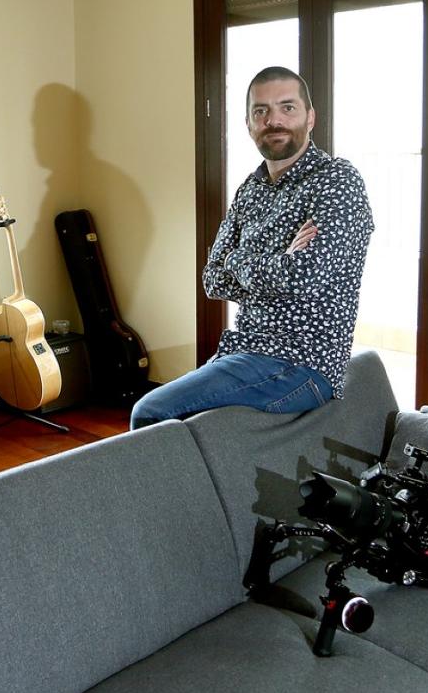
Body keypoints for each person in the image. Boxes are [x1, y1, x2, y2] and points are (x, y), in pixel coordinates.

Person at [129, 66, 374, 429]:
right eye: (261, 111)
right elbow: (213, 280)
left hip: (301, 362)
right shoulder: (251, 188)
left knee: (150, 412)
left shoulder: (337, 180)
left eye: (287, 108)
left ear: (310, 118)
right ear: (248, 124)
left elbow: (302, 278)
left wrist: (239, 259)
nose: (274, 120)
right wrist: (277, 263)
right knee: (189, 425)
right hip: (245, 352)